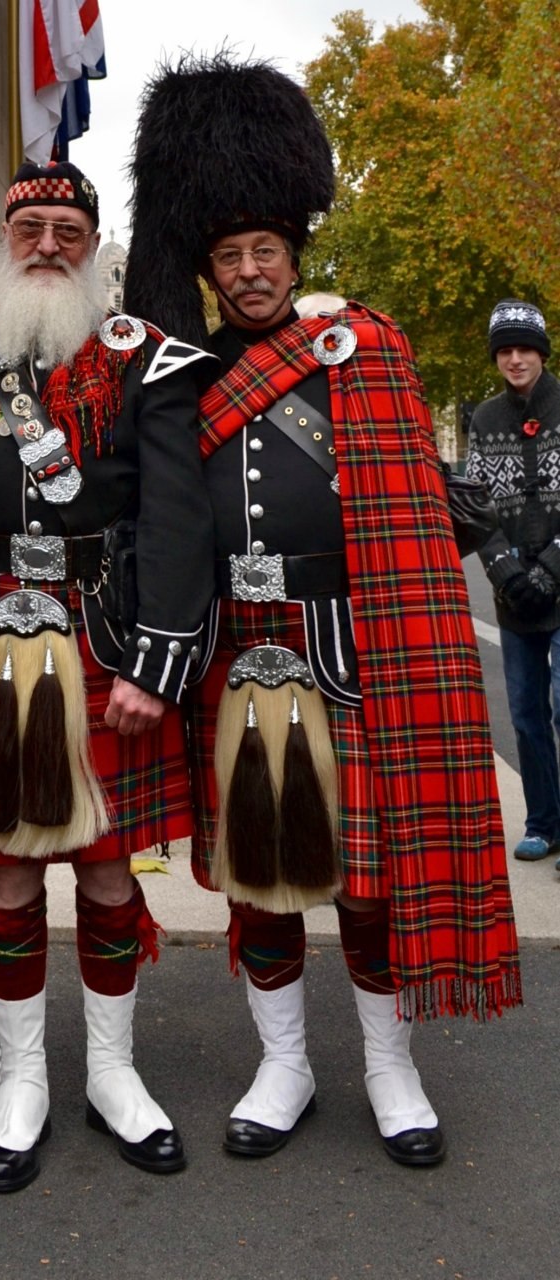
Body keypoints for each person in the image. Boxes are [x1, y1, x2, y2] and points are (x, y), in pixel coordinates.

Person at [125, 53, 522, 1167]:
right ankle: (285, 1063)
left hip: (351, 647)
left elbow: (404, 501)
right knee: (263, 873)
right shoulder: (188, 373)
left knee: (368, 872)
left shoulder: (366, 348)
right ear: (208, 272)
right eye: (229, 257)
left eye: (265, 252)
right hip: (241, 652)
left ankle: (390, 1068)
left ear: (294, 255)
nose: (249, 271)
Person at [0, 160, 215, 1191]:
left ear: (92, 242)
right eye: (27, 224)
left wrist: (159, 661)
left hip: (104, 638)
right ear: (3, 237)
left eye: (65, 227)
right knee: (12, 867)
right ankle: (23, 1078)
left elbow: (175, 517)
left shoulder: (142, 362)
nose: (45, 242)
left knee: (113, 866)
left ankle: (114, 1073)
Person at [466, 300, 560, 864]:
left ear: (542, 353)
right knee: (524, 712)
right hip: (514, 589)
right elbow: (476, 508)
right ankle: (544, 821)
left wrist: (549, 569)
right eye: (506, 350)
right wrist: (505, 571)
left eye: (525, 348)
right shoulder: (485, 418)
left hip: (557, 572)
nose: (516, 359)